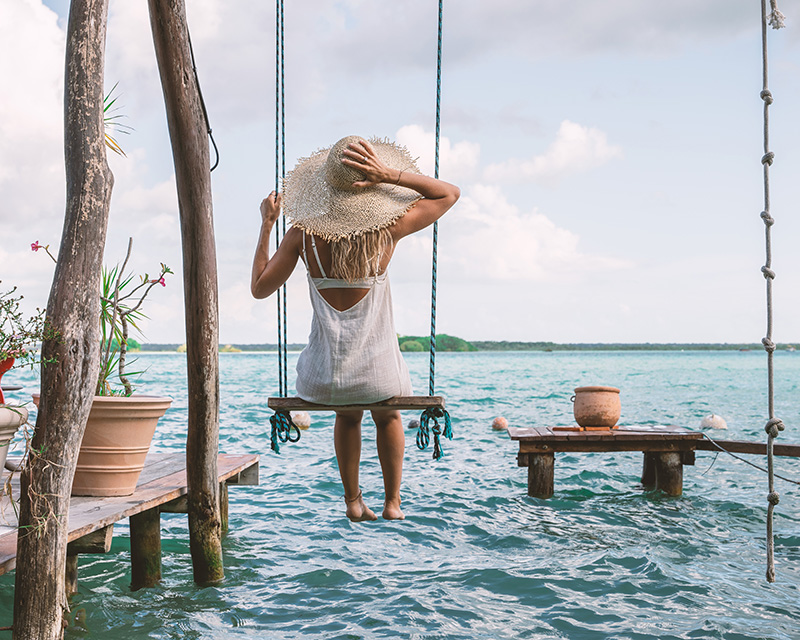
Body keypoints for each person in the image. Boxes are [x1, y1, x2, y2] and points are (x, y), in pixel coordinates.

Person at [251, 135, 459, 521]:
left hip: (322, 380)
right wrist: (390, 174)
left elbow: (260, 289)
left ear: (324, 189)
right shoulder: (387, 231)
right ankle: (393, 502)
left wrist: (267, 225)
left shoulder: (303, 236)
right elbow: (449, 194)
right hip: (378, 377)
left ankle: (352, 500)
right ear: (368, 189)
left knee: (347, 414)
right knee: (389, 415)